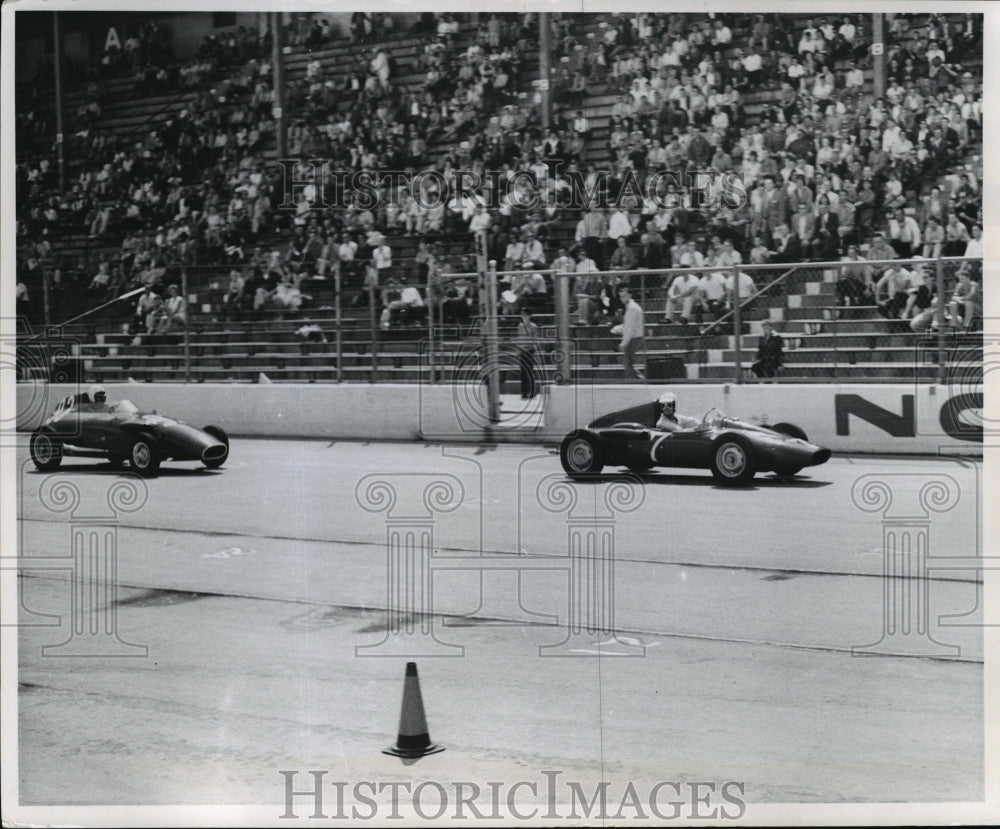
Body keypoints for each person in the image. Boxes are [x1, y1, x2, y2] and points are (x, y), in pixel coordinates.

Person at [616, 285, 644, 380]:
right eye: (621, 296)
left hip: (634, 338)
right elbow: (628, 325)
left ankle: (633, 380)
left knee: (627, 362)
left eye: (624, 296)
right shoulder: (630, 307)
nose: (622, 299)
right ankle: (637, 378)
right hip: (634, 337)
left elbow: (630, 328)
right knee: (628, 362)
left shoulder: (632, 308)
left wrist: (623, 343)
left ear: (629, 295)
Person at [514, 308, 540, 399]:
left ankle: (532, 392)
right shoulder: (520, 326)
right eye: (522, 315)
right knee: (523, 373)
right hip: (522, 351)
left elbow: (535, 339)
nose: (523, 317)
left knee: (530, 372)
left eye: (525, 315)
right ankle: (524, 392)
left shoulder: (533, 326)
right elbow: (518, 338)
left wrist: (534, 349)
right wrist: (518, 349)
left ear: (529, 316)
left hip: (529, 350)